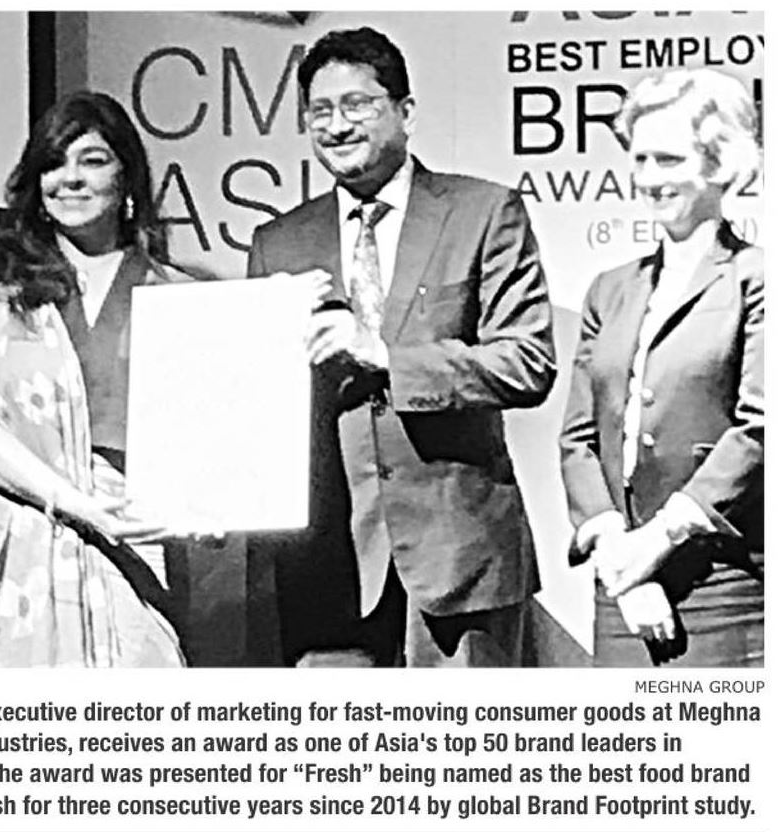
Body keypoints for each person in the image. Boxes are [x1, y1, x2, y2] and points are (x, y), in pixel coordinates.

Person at [248, 27, 556, 667]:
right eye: (319, 111)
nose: (337, 125)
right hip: (325, 565)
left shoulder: (482, 211)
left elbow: (527, 362)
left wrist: (386, 357)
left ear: (405, 112)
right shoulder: (279, 242)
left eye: (356, 104)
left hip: (457, 560)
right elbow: (258, 402)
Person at [0, 91, 188, 667]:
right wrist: (78, 505)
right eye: (54, 164)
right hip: (7, 539)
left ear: (128, 178)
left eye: (94, 160)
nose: (71, 179)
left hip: (133, 545)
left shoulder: (180, 296)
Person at [559, 68, 763, 667]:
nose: (649, 178)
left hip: (727, 585)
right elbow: (577, 439)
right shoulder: (609, 289)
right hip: (622, 590)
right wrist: (620, 558)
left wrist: (659, 540)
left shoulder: (758, 279)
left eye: (669, 160)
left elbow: (760, 427)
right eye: (640, 159)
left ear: (722, 165)